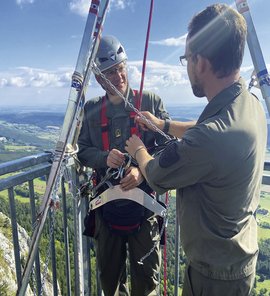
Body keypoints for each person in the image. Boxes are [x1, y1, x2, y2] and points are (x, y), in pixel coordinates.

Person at [125, 4, 267, 296]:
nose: (188, 66)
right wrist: (163, 124)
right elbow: (205, 128)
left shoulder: (211, 138)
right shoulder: (247, 103)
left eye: (186, 58)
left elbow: (157, 175)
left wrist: (138, 149)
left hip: (214, 276)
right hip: (235, 260)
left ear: (200, 61)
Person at [77, 35, 170, 296]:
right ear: (98, 79)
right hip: (107, 206)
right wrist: (104, 158)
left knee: (146, 280)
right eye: (110, 72)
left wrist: (142, 170)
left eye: (120, 69)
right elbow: (83, 151)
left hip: (144, 206)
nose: (118, 77)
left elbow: (168, 148)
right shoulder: (93, 110)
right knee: (110, 279)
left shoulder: (150, 103)